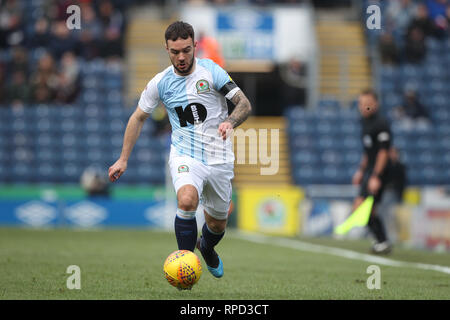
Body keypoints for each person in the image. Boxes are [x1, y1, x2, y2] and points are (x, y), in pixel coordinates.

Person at [108, 21, 252, 281]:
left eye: (186, 50)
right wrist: (123, 158)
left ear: (195, 46)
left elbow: (243, 103)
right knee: (186, 200)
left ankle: (206, 247)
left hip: (219, 158)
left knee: (217, 224)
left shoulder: (212, 71)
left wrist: (230, 122)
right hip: (185, 154)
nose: (182, 57)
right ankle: (185, 265)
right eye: (175, 52)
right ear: (167, 49)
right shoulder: (160, 83)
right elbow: (138, 118)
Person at [351, 89, 393, 254]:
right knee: (363, 207)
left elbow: (383, 152)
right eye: (361, 104)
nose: (364, 107)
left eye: (367, 104)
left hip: (380, 170)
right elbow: (369, 151)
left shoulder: (381, 123)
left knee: (365, 207)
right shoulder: (364, 122)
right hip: (370, 170)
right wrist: (361, 171)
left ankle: (382, 241)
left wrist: (376, 176)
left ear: (375, 104)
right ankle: (381, 241)